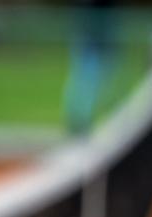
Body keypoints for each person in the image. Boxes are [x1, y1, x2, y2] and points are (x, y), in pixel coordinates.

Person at [64, 0, 118, 135]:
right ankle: (79, 120)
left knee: (91, 79)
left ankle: (81, 119)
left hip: (95, 35)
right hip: (93, 37)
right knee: (87, 79)